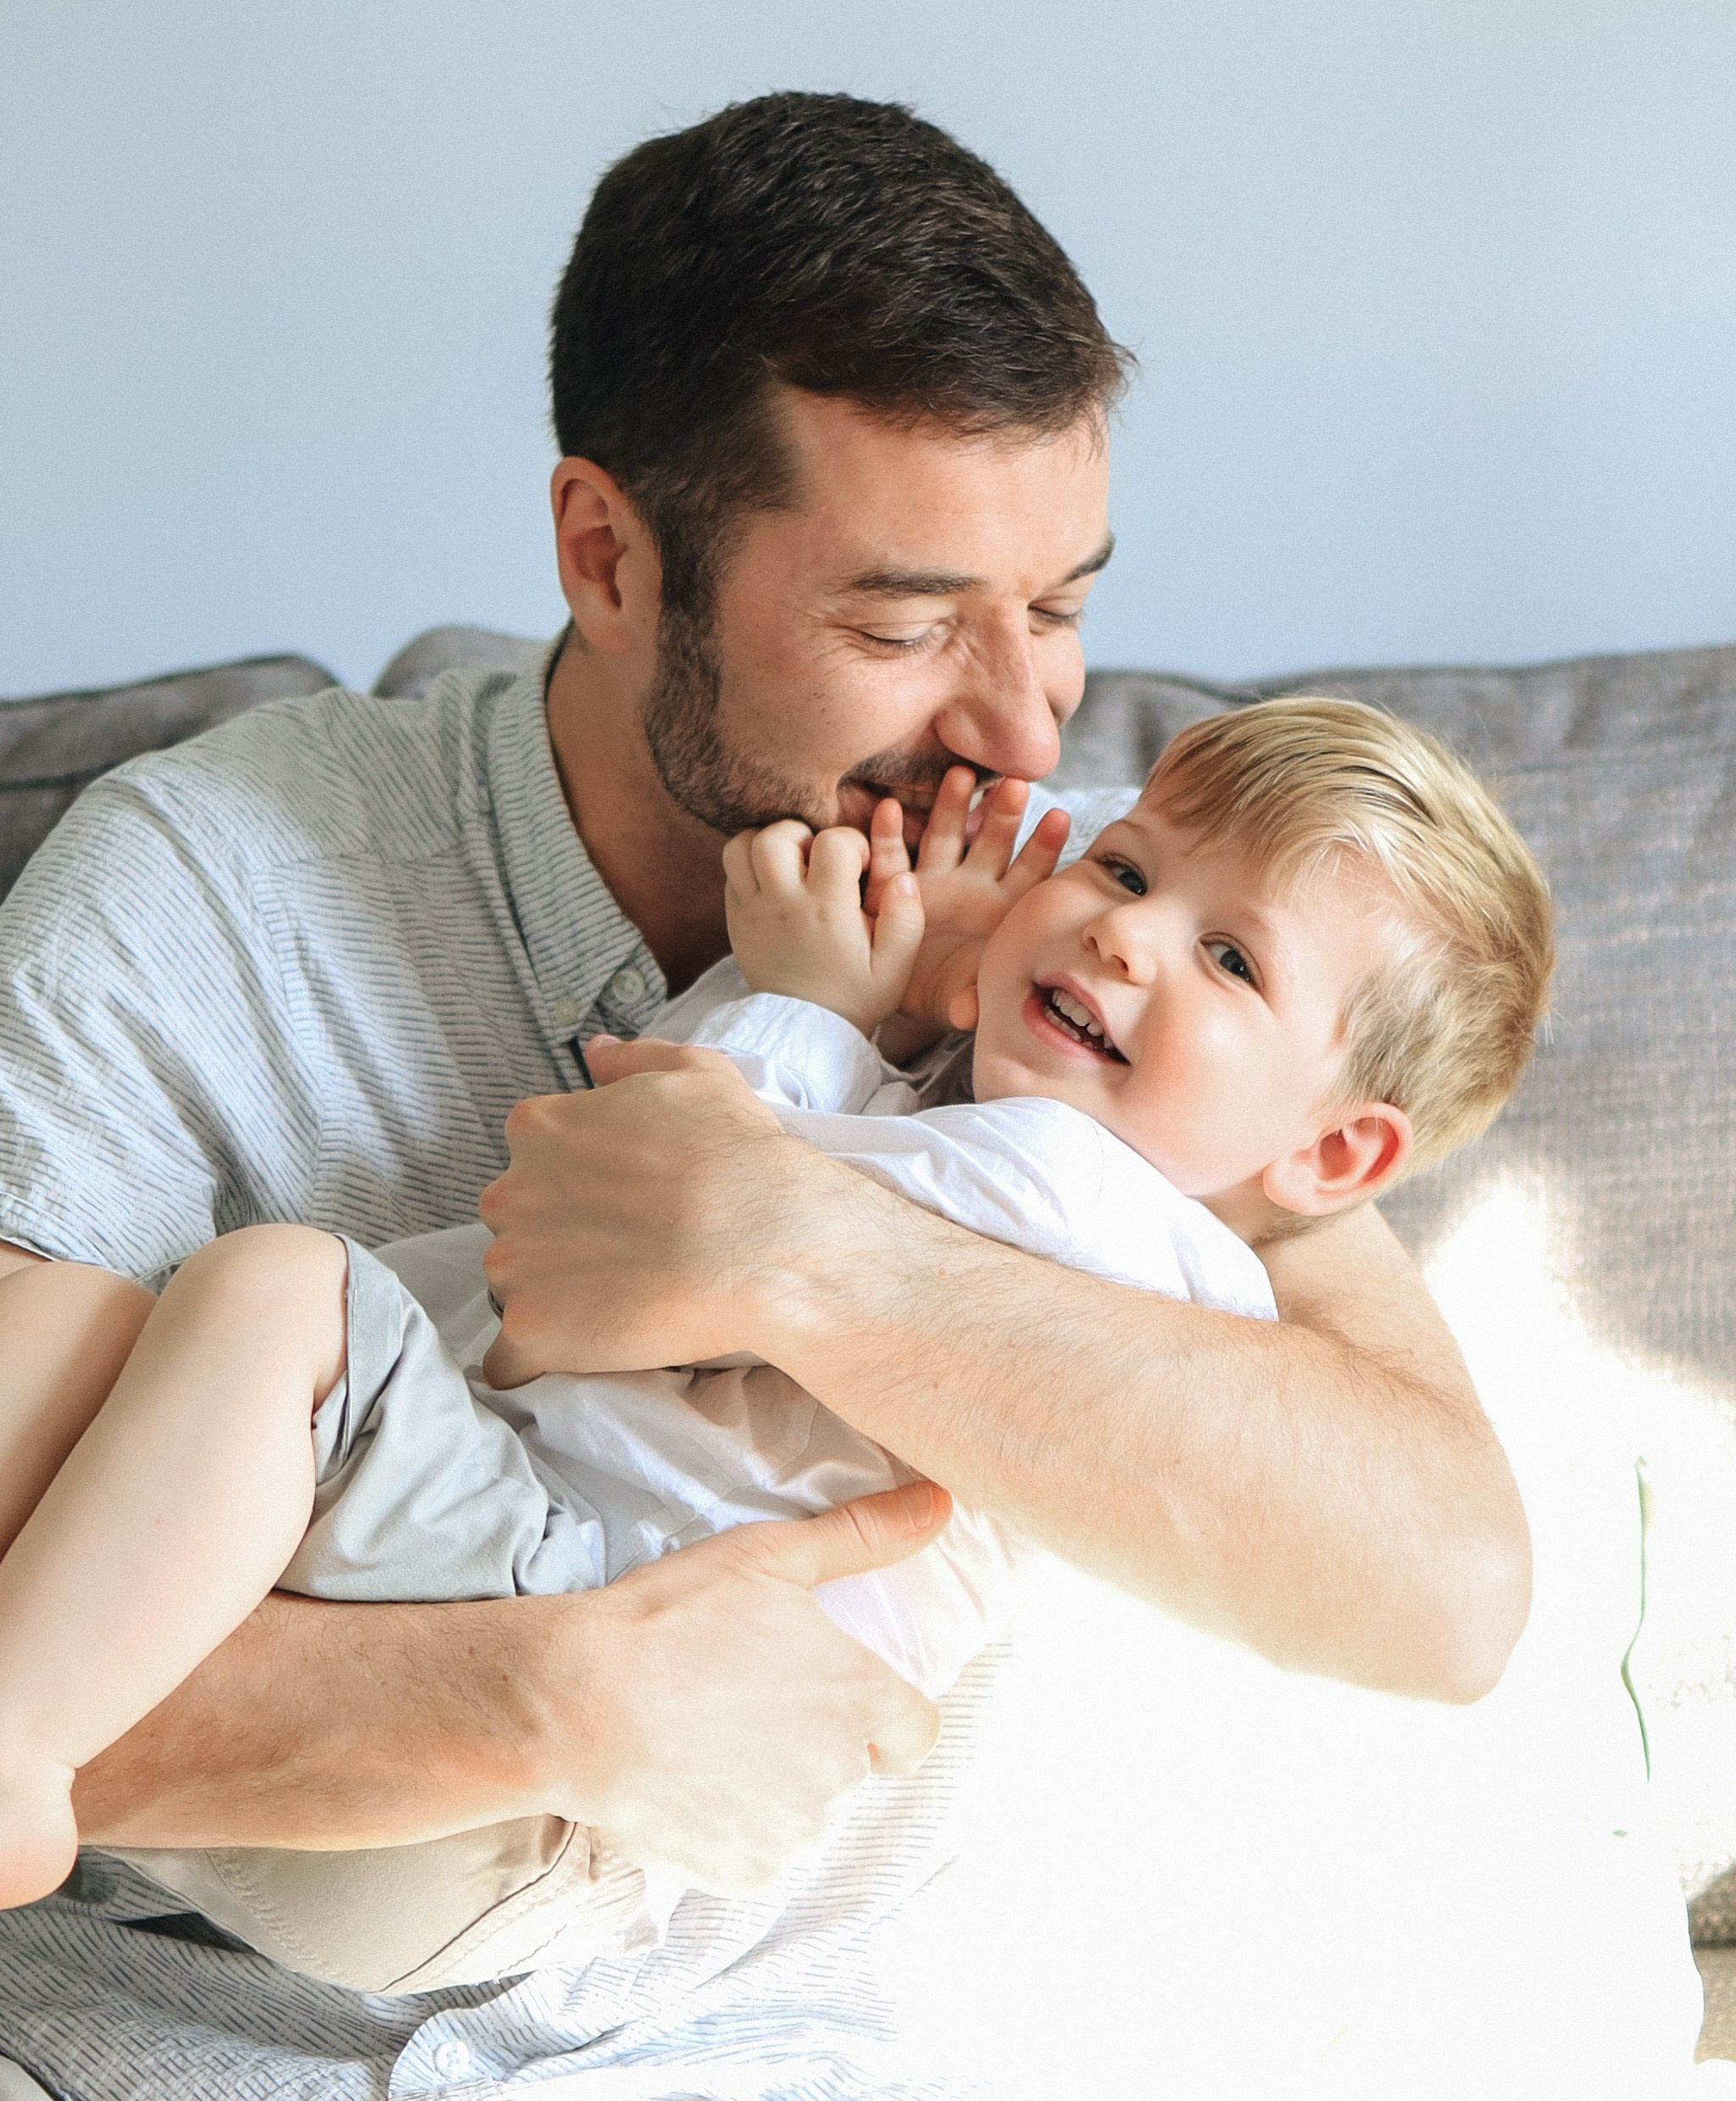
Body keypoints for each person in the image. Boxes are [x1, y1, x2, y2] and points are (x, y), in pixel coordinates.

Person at [0, 94, 1532, 2098]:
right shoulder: (205, 887)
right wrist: (537, 1699)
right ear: (607, 552)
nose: (1021, 718)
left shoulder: (1126, 946)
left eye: (1059, 603)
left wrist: (784, 1244)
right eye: (902, 622)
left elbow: (1433, 1584)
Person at [0, 696, 1550, 1996]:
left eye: (1232, 961)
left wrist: (824, 1001)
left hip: (546, 1654)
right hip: (482, 1682)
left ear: (1338, 1161)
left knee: (279, 1293)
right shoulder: (1043, 1116)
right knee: (83, 1329)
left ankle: (20, 1740)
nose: (1126, 930)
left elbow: (662, 1185)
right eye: (1125, 865)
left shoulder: (1084, 1197)